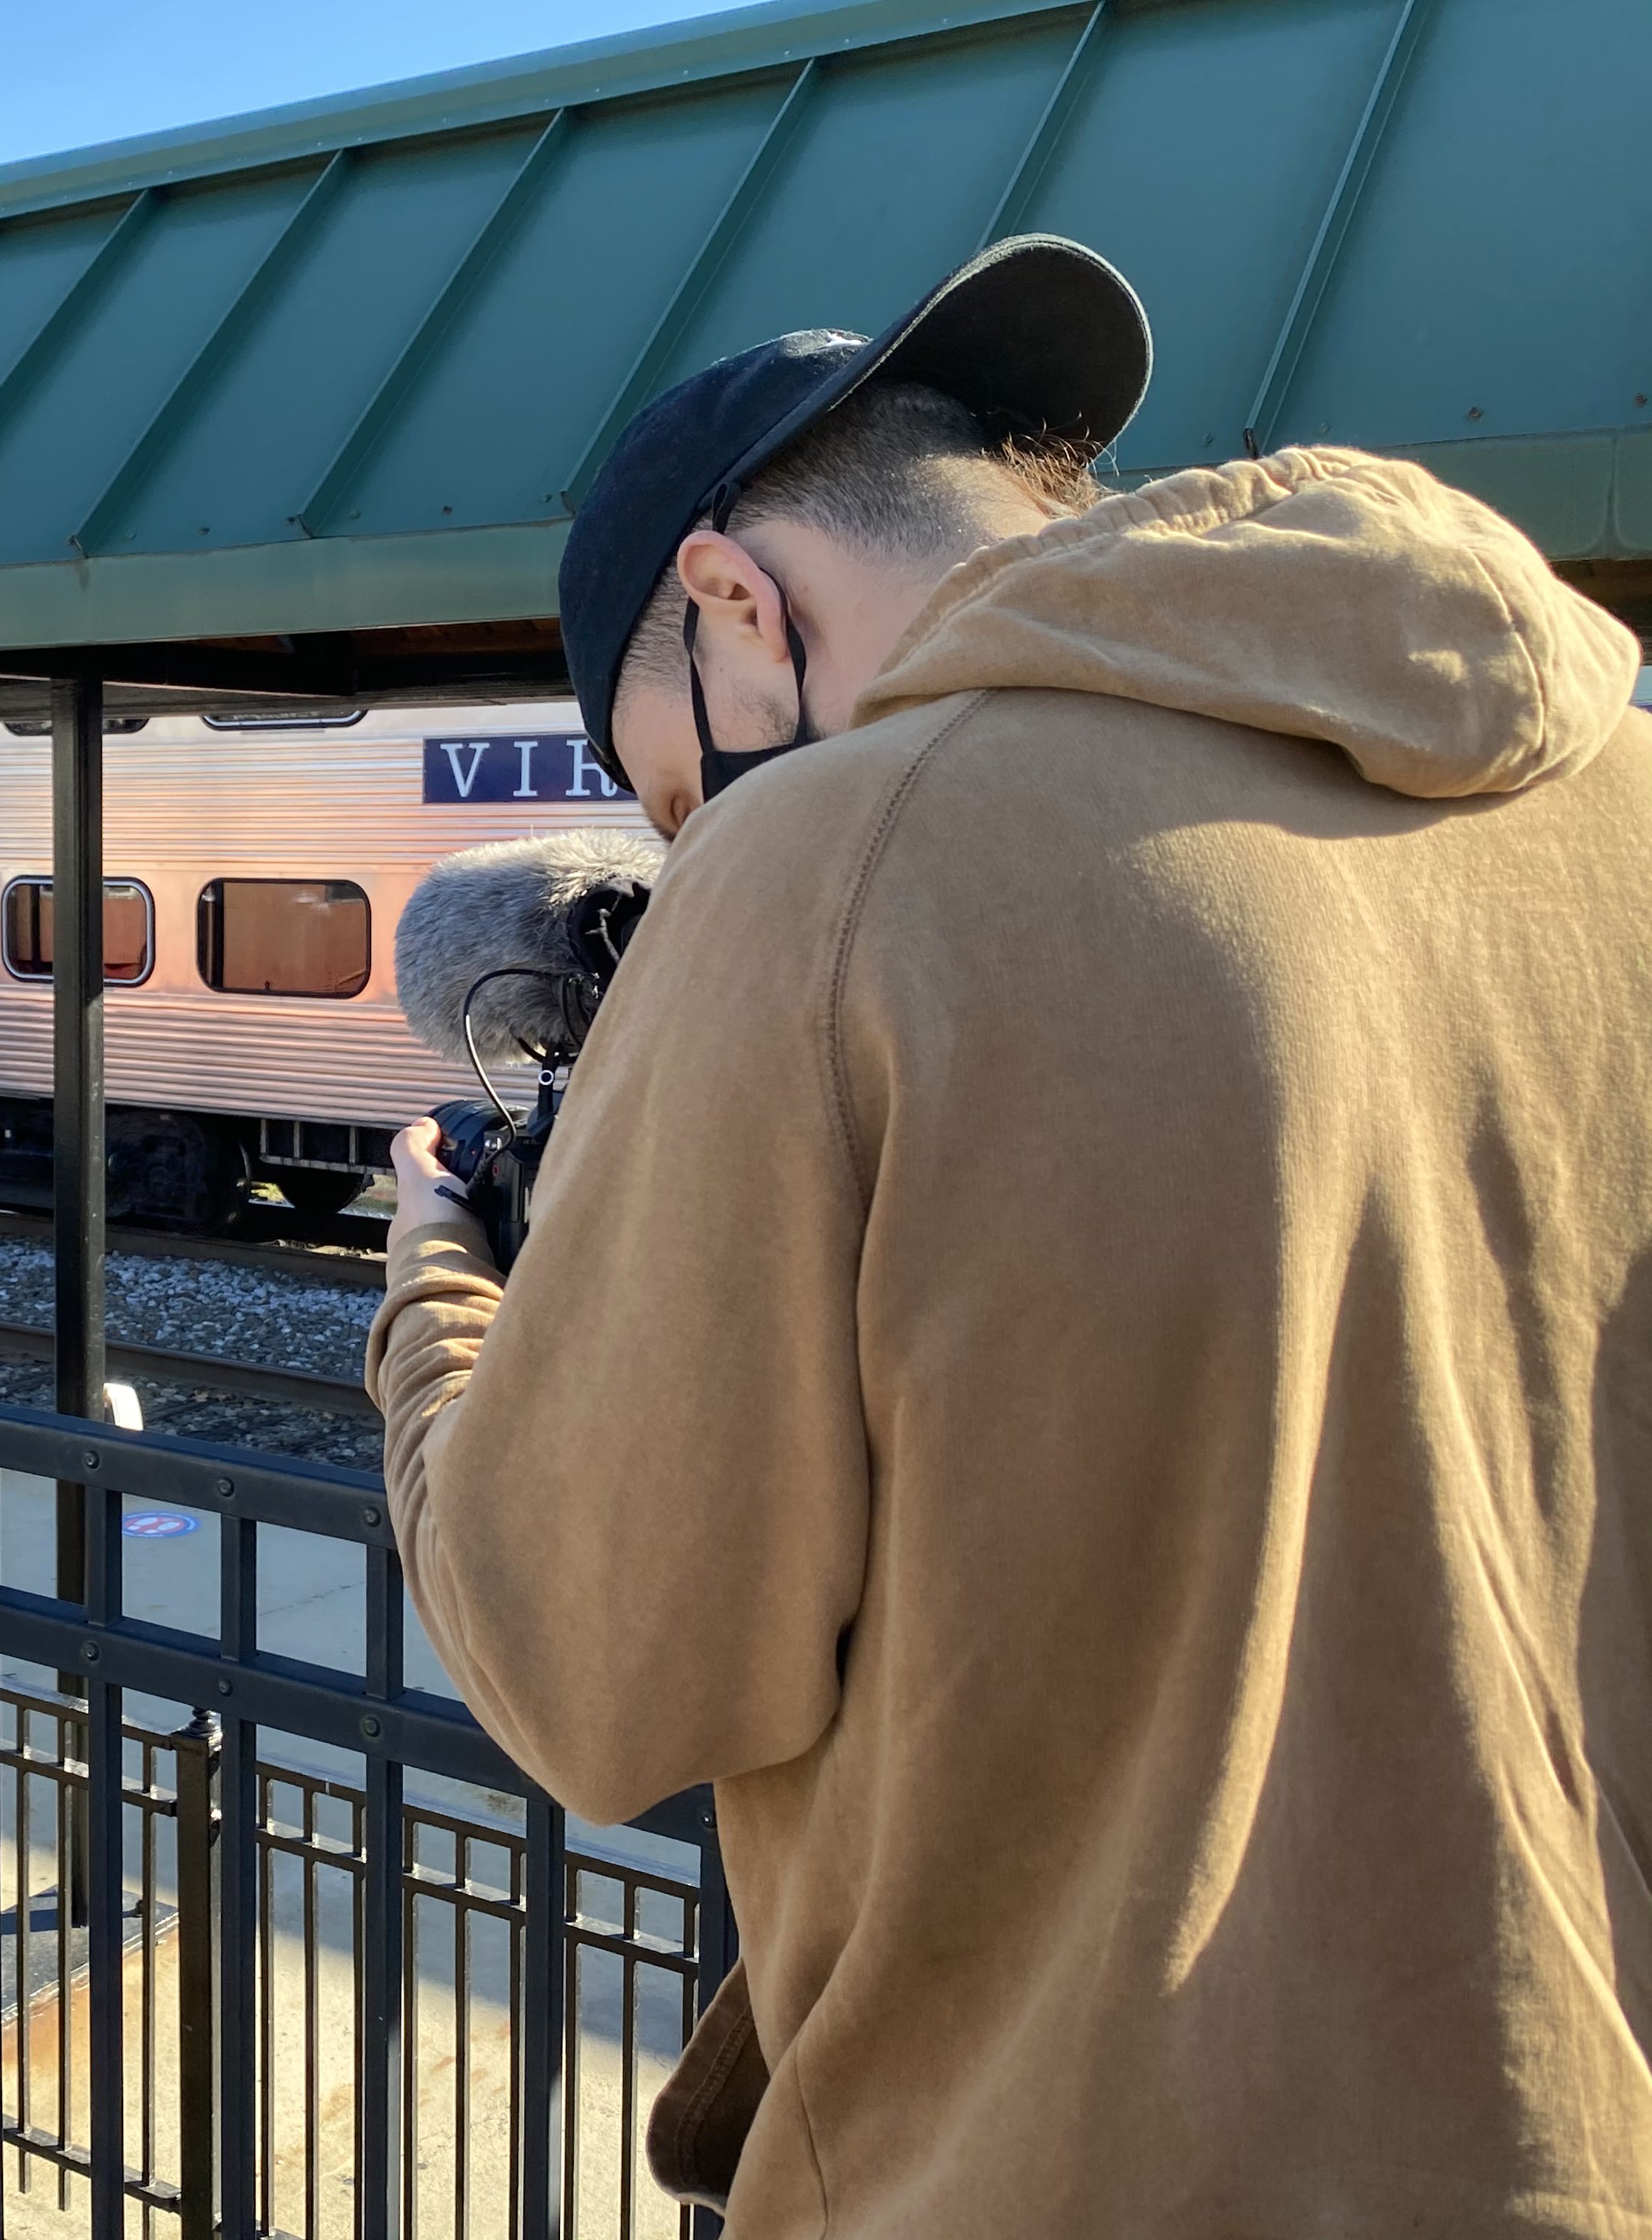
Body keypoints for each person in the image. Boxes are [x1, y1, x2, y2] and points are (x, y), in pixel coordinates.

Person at [372, 234, 1652, 2233]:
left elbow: (598, 1667)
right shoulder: (1615, 807)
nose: (693, 844)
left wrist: (438, 1283)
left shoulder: (830, 856)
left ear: (732, 603)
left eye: (673, 790)